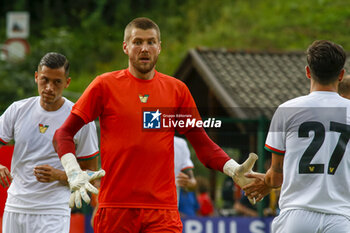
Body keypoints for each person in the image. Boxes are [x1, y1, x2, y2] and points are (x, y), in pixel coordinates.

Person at [53, 17, 258, 232]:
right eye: (137, 42)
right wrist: (72, 170)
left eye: (151, 42)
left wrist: (234, 169)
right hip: (116, 208)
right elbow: (63, 134)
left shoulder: (177, 90)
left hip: (162, 212)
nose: (144, 48)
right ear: (125, 47)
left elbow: (204, 146)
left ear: (159, 47)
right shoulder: (104, 85)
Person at [243, 40, 350, 232]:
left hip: (296, 216)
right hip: (340, 217)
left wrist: (266, 182)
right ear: (341, 75)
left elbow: (276, 178)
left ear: (308, 72)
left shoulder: (287, 110)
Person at [0, 52, 101, 233]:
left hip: (53, 210)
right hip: (15, 206)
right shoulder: (18, 109)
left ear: (67, 83)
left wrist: (60, 175)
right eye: (45, 80)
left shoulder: (80, 119)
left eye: (57, 82)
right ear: (36, 77)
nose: (49, 87)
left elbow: (91, 173)